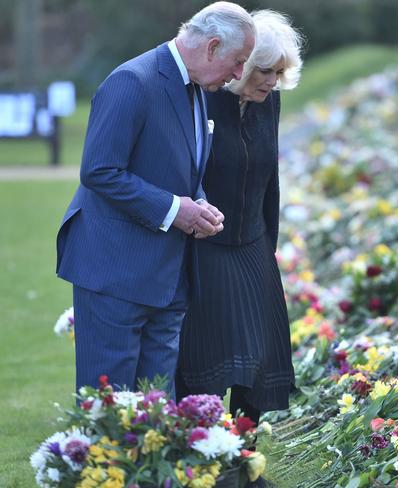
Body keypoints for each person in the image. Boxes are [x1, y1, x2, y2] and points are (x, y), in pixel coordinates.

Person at [55, 2, 256, 399]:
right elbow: (99, 170)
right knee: (109, 411)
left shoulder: (197, 86)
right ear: (213, 46)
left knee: (156, 412)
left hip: (167, 277)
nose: (239, 75)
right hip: (114, 271)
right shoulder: (132, 80)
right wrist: (174, 209)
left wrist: (198, 204)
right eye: (238, 62)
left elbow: (180, 167)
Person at [176, 10, 303, 427]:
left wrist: (269, 247)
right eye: (265, 70)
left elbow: (271, 180)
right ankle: (207, 459)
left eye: (279, 73)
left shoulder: (271, 103)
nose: (272, 81)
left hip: (253, 244)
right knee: (208, 360)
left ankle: (245, 461)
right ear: (241, 64)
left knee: (260, 361)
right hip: (206, 247)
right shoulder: (204, 97)